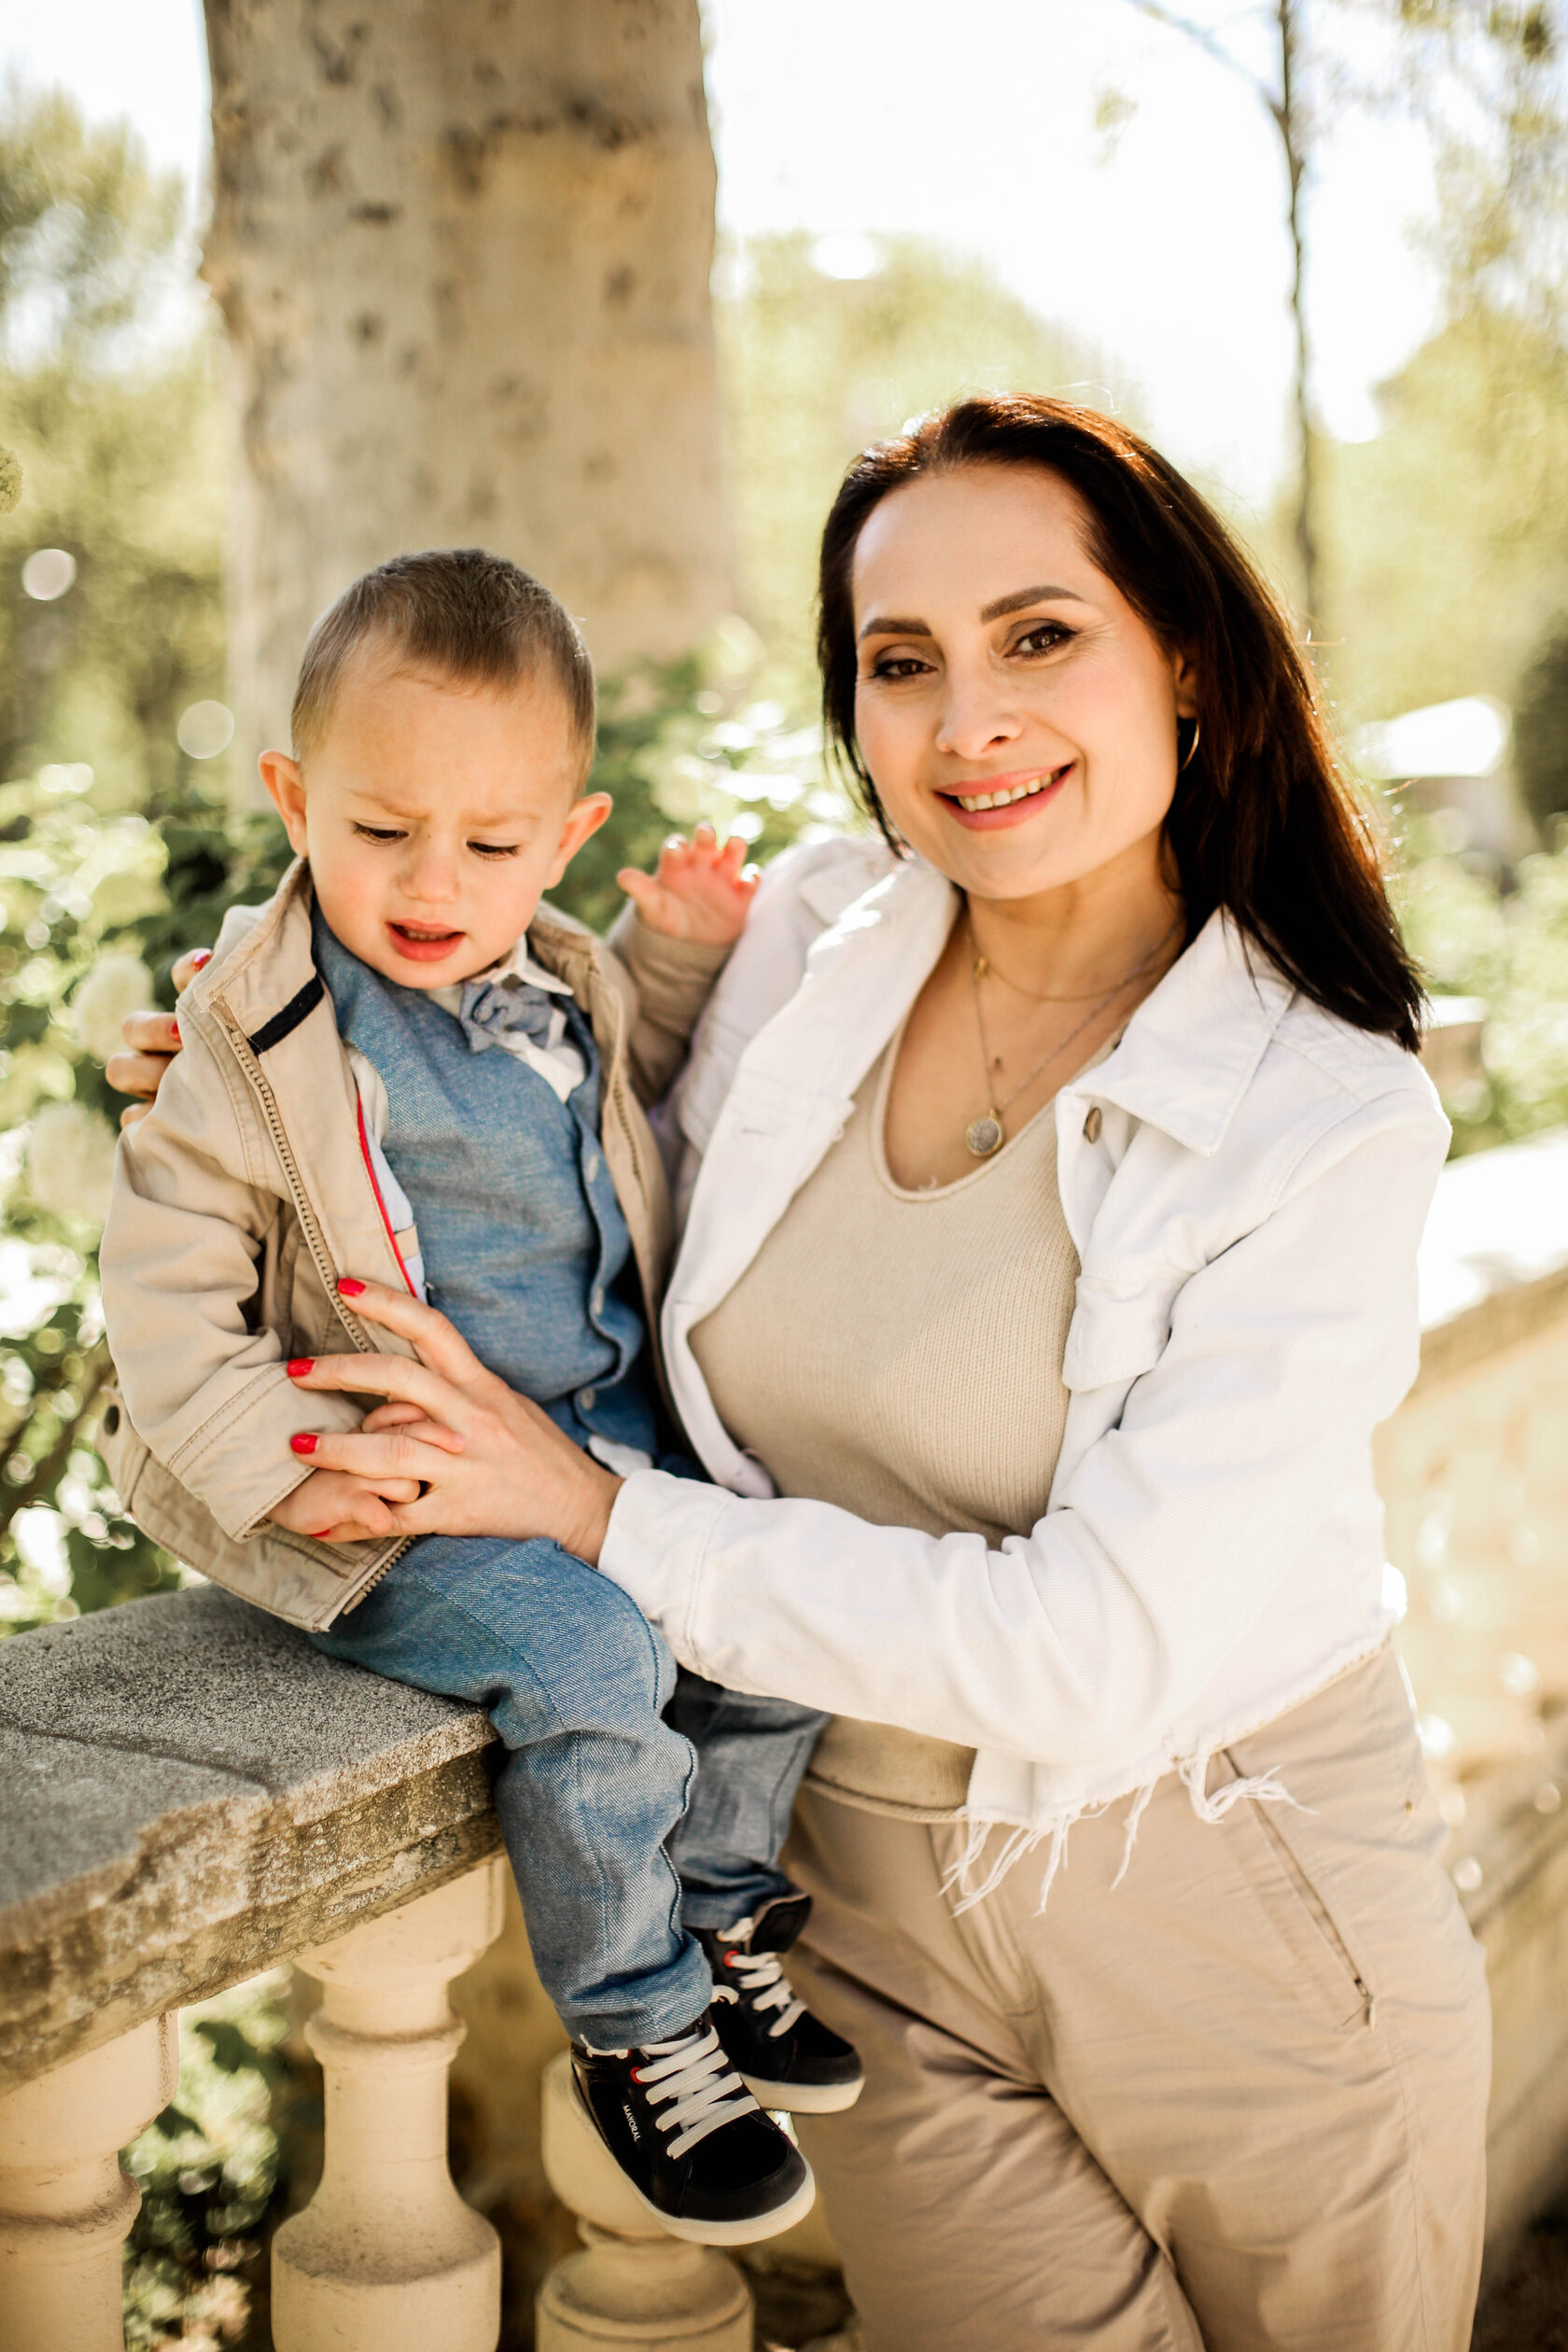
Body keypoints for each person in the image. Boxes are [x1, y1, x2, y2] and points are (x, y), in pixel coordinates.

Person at [119, 402, 1492, 2350]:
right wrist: (248, 1069)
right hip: (836, 1924)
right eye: (899, 661)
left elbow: (1093, 1654)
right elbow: (562, 1143)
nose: (966, 721)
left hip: (1226, 1904)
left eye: (1040, 637)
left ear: (1180, 653)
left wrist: (595, 1512)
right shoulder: (818, 939)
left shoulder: (1327, 1118)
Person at [98, 547, 863, 2252]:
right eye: (380, 831)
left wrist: (672, 965)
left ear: (567, 840)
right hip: (405, 1493)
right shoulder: (258, 1032)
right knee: (595, 1660)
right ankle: (639, 2019)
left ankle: (726, 1916)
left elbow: (628, 1109)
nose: (435, 878)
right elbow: (159, 1296)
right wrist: (296, 1468)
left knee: (778, 1592)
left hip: (596, 1447)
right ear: (296, 797)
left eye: (495, 844)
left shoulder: (566, 980)